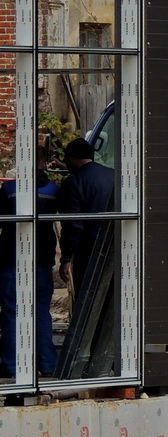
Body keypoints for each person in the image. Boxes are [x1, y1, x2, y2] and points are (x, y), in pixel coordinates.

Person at [0, 147, 60, 377]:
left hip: (11, 258)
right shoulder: (53, 190)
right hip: (42, 260)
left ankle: (11, 366)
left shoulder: (8, 189)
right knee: (41, 311)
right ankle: (47, 364)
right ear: (45, 163)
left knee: (12, 312)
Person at [58, 137, 115, 295]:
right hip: (116, 247)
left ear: (71, 158)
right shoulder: (115, 176)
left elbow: (72, 224)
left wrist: (66, 258)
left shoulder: (74, 182)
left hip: (88, 251)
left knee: (87, 295)